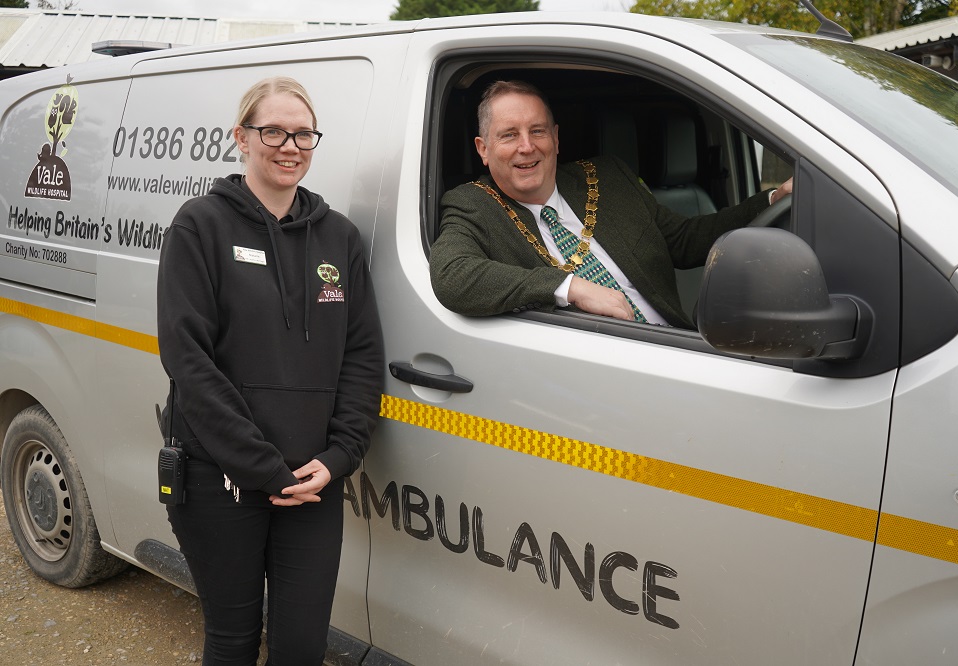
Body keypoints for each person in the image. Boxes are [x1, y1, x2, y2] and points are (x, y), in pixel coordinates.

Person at [156, 76, 384, 665]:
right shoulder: (200, 226)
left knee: (302, 647)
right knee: (232, 642)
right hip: (218, 477)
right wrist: (263, 468)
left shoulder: (339, 238)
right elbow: (188, 361)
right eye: (273, 131)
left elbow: (362, 358)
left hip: (313, 482)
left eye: (303, 133)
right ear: (242, 138)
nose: (290, 145)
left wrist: (337, 461)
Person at [429, 80, 793, 328]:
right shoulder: (471, 204)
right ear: (483, 149)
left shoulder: (606, 176)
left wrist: (774, 199)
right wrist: (570, 288)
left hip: (679, 345)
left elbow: (683, 240)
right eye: (509, 135)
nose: (527, 146)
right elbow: (452, 277)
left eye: (537, 131)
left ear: (556, 139)